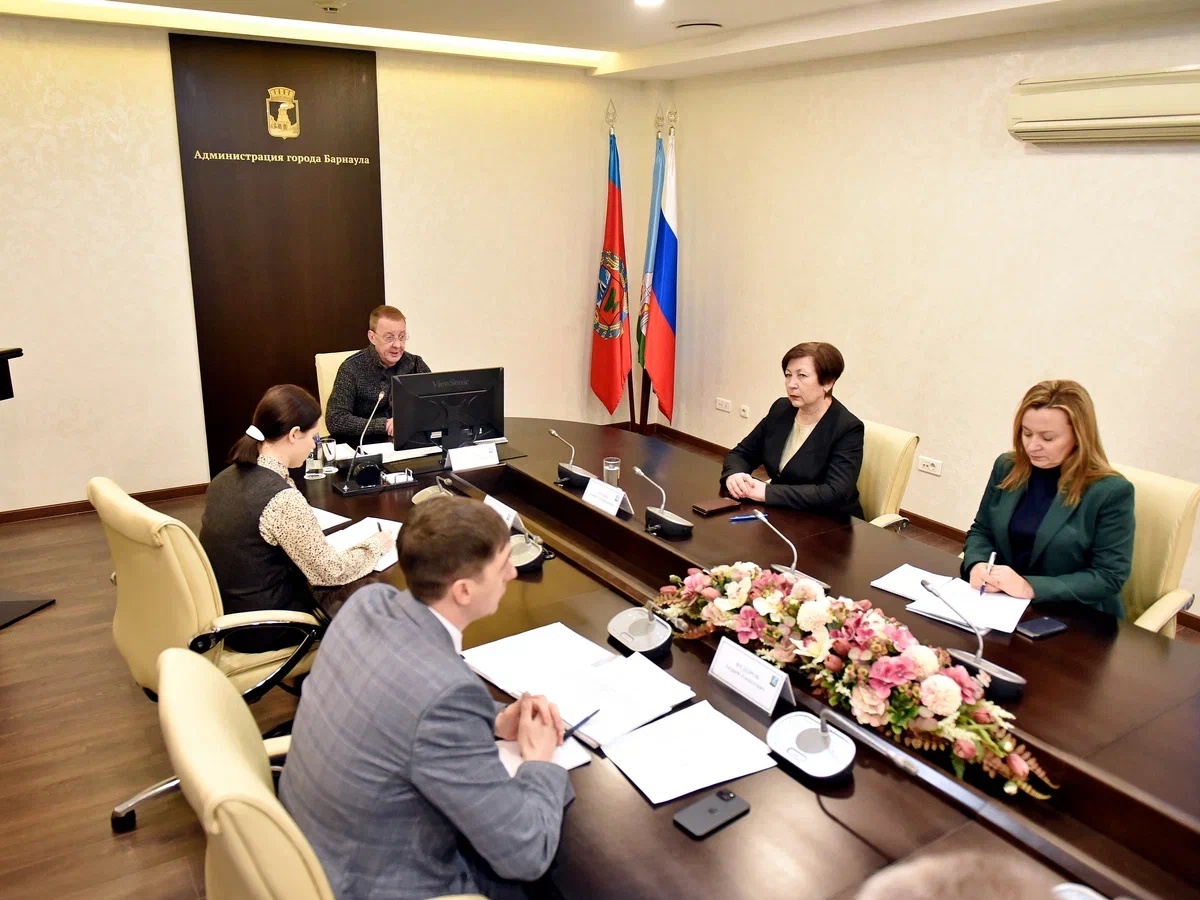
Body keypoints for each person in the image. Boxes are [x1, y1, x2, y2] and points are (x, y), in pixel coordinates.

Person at [279, 497, 574, 900]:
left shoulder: (366, 603)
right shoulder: (447, 695)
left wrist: (494, 719)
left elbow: (405, 706)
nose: (513, 572)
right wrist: (539, 761)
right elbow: (527, 852)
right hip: (371, 882)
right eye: (504, 563)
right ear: (464, 590)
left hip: (307, 848)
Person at [199, 385, 393, 652]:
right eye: (313, 437)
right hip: (267, 627)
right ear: (293, 435)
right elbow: (331, 572)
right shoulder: (281, 499)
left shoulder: (224, 478)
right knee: (372, 607)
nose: (314, 446)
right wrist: (377, 545)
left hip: (229, 611)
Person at [961, 380, 1134, 618]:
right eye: (1026, 433)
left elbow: (1108, 576)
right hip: (1001, 603)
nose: (1033, 446)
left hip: (1075, 616)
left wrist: (1030, 587)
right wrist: (977, 564)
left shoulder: (1110, 491)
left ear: (1079, 437)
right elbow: (982, 530)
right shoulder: (1007, 467)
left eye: (1048, 438)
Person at [720, 341, 864, 518]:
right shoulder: (781, 409)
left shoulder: (847, 428)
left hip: (829, 521)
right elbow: (742, 454)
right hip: (784, 512)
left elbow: (834, 492)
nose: (791, 384)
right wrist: (735, 476)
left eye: (802, 376)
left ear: (828, 382)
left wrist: (766, 492)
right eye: (788, 375)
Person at [325, 304, 431, 446]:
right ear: (372, 337)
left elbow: (435, 405)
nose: (397, 345)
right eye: (389, 338)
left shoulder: (415, 364)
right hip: (364, 446)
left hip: (410, 444)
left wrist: (409, 420)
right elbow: (336, 420)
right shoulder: (351, 368)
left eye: (402, 337)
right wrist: (384, 425)